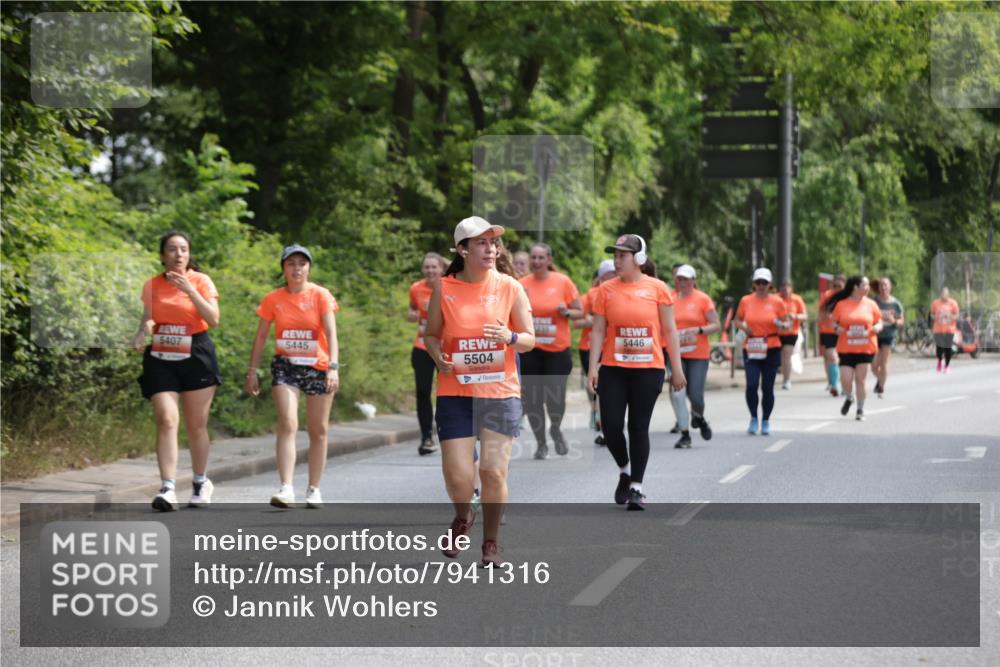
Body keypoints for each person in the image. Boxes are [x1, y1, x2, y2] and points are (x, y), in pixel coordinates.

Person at [424, 216, 534, 566]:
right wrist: (437, 354)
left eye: (494, 243)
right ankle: (463, 515)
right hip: (455, 391)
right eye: (482, 243)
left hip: (500, 393)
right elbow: (430, 334)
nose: (491, 249)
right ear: (462, 249)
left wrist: (511, 338)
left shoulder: (510, 287)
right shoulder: (444, 287)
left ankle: (491, 543)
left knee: (493, 471)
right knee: (457, 475)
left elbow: (530, 339)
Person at [588, 234, 686, 511]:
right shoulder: (605, 291)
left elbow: (669, 331)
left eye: (623, 255)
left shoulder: (658, 288)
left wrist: (676, 369)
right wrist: (593, 367)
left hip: (648, 369)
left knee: (638, 427)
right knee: (611, 426)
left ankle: (636, 488)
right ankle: (624, 468)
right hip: (614, 369)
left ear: (638, 259)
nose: (618, 260)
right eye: (616, 255)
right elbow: (598, 330)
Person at [246, 245, 339, 508]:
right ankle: (286, 487)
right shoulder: (273, 298)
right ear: (283, 268)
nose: (296, 269)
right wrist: (252, 370)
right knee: (287, 422)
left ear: (309, 268)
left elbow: (331, 333)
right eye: (291, 264)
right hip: (285, 366)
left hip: (318, 367)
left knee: (318, 430)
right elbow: (262, 335)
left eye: (302, 263)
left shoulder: (320, 295)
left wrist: (333, 367)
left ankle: (314, 488)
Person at [134, 231, 222, 511]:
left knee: (196, 425)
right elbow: (148, 319)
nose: (178, 254)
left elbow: (214, 319)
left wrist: (190, 290)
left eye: (183, 249)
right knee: (166, 419)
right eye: (172, 249)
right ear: (163, 255)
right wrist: (142, 331)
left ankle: (200, 482)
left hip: (196, 351)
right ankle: (168, 487)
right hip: (161, 353)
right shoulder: (151, 285)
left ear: (189, 253)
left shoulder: (201, 281)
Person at [519, 243, 582, 459]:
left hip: (557, 350)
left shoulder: (562, 281)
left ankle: (555, 428)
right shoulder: (521, 284)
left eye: (540, 258)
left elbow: (579, 311)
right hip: (530, 350)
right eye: (533, 258)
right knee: (533, 400)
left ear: (549, 260)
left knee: (556, 399)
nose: (536, 262)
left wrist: (567, 312)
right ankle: (541, 443)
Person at [668, 264, 720, 448]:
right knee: (677, 395)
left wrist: (698, 330)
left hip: (698, 354)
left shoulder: (703, 299)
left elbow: (716, 325)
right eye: (679, 279)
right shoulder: (670, 299)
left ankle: (699, 417)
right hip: (676, 354)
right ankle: (685, 435)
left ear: (693, 281)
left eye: (686, 279)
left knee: (695, 395)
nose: (682, 282)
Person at [733, 268, 789, 436]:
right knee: (751, 384)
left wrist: (782, 325)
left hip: (771, 346)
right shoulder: (746, 300)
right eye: (758, 282)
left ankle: (765, 419)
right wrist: (744, 327)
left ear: (770, 284)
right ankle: (753, 418)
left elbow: (787, 324)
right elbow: (737, 320)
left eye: (764, 282)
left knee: (767, 387)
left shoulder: (777, 302)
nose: (761, 286)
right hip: (751, 346)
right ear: (754, 284)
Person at [825, 275, 883, 420]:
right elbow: (833, 322)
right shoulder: (842, 304)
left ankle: (860, 409)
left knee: (860, 379)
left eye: (868, 285)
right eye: (865, 285)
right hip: (846, 348)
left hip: (865, 348)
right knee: (845, 380)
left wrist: (877, 327)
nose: (868, 288)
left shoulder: (871, 304)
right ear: (856, 287)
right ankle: (849, 397)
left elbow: (879, 321)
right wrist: (837, 328)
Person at [408, 252, 447, 455]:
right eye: (427, 267)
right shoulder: (416, 288)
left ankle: (447, 432)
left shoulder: (449, 286)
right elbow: (412, 310)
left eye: (434, 267)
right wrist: (411, 315)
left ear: (441, 268)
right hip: (422, 346)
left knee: (445, 393)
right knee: (423, 392)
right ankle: (426, 437)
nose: (430, 270)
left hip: (446, 347)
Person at [574, 259, 617, 445]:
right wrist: (593, 321)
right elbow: (577, 323)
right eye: (609, 273)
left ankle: (605, 422)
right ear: (602, 276)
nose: (613, 275)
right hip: (589, 347)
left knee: (606, 388)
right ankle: (598, 415)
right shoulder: (590, 295)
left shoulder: (619, 293)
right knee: (595, 386)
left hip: (612, 347)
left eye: (615, 272)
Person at [872, 276, 904, 396]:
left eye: (885, 285)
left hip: (889, 335)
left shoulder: (896, 304)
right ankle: (880, 379)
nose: (883, 287)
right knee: (874, 364)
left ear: (890, 287)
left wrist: (894, 321)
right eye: (881, 285)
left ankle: (881, 387)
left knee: (883, 362)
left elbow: (901, 321)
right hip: (875, 335)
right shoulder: (874, 302)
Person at [818, 273, 846, 396]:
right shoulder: (827, 296)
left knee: (844, 360)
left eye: (839, 286)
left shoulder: (848, 297)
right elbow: (820, 315)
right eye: (835, 286)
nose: (837, 289)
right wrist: (827, 316)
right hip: (828, 331)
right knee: (832, 357)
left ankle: (845, 384)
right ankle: (834, 385)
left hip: (843, 331)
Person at [778, 279, 808, 390]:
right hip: (776, 332)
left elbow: (805, 316)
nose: (785, 290)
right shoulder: (776, 299)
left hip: (791, 332)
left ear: (791, 288)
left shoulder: (797, 299)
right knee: (777, 357)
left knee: (786, 355)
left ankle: (786, 380)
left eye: (788, 287)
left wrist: (795, 316)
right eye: (783, 287)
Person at [931, 287, 960, 373]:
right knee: (939, 348)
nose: (944, 295)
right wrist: (936, 317)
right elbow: (932, 314)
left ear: (948, 294)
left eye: (946, 293)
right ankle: (940, 361)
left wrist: (950, 316)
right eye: (943, 293)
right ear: (940, 294)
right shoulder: (935, 303)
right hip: (938, 329)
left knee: (948, 348)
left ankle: (947, 366)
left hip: (949, 329)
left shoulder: (953, 303)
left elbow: (957, 315)